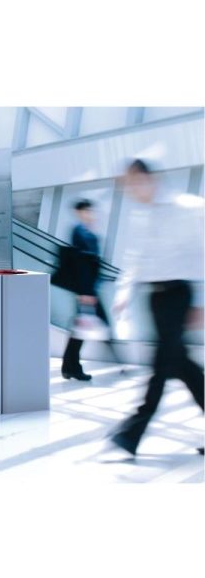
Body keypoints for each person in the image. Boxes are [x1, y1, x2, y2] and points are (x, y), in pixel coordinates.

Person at [109, 159, 204, 457]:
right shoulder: (142, 215)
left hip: (179, 294)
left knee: (161, 365)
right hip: (156, 298)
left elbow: (201, 253)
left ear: (149, 178)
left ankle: (131, 433)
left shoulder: (187, 207)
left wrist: (201, 302)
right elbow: (135, 259)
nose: (132, 191)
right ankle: (131, 433)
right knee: (181, 366)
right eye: (127, 186)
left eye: (134, 183)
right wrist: (123, 293)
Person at [61, 200, 120, 381]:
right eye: (86, 211)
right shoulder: (79, 232)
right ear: (79, 212)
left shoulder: (88, 232)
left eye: (90, 211)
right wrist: (85, 292)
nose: (90, 214)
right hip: (87, 291)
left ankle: (70, 366)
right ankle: (119, 363)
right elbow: (81, 264)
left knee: (80, 329)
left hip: (90, 289)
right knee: (92, 326)